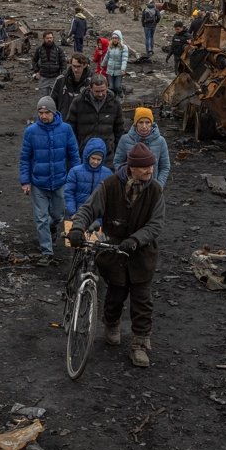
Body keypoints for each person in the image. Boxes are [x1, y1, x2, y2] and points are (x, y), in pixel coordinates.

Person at [68, 142, 164, 368]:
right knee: (115, 295)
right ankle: (111, 324)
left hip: (142, 255)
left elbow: (156, 224)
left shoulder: (155, 190)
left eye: (151, 166)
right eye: (145, 167)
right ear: (132, 167)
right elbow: (88, 209)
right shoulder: (110, 185)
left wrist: (136, 239)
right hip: (114, 253)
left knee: (142, 301)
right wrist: (77, 228)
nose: (150, 170)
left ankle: (140, 345)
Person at [19, 96, 81, 261]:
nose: (44, 116)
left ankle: (53, 227)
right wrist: (25, 181)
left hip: (60, 181)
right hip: (38, 182)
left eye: (47, 112)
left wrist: (76, 177)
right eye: (41, 112)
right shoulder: (31, 132)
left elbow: (74, 155)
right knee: (40, 218)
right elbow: (25, 158)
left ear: (54, 112)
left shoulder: (66, 129)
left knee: (58, 216)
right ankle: (47, 252)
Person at [67, 74, 125, 156]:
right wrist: (76, 148)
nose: (100, 94)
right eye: (97, 91)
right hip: (84, 152)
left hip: (108, 153)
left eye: (103, 91)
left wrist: (117, 151)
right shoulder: (78, 102)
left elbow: (119, 130)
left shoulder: (115, 103)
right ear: (90, 88)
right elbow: (70, 127)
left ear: (107, 87)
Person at [114, 107, 172, 187]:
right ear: (135, 124)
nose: (144, 126)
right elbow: (118, 163)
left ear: (151, 123)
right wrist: (125, 180)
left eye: (147, 122)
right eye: (141, 122)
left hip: (152, 187)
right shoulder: (125, 140)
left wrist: (159, 185)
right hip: (129, 187)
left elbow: (165, 166)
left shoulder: (160, 141)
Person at [64, 137, 113, 222]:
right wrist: (72, 212)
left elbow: (110, 197)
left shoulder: (108, 174)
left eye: (99, 159)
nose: (95, 162)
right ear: (87, 156)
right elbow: (69, 193)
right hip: (77, 216)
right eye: (93, 158)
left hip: (98, 218)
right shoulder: (75, 171)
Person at [32, 31, 66, 97]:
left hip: (55, 77)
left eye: (51, 38)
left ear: (53, 38)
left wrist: (63, 75)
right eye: (47, 38)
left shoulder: (58, 50)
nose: (49, 40)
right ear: (44, 39)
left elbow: (63, 63)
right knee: (43, 98)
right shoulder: (39, 50)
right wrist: (36, 72)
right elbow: (34, 61)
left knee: (55, 97)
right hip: (43, 78)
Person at [103, 30, 130, 98]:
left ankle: (121, 93)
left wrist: (123, 69)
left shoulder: (123, 47)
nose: (114, 39)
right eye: (113, 38)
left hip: (119, 71)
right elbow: (107, 56)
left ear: (119, 38)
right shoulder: (110, 47)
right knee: (111, 87)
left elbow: (124, 59)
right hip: (110, 70)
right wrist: (103, 64)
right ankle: (112, 99)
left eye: (116, 38)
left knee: (117, 86)